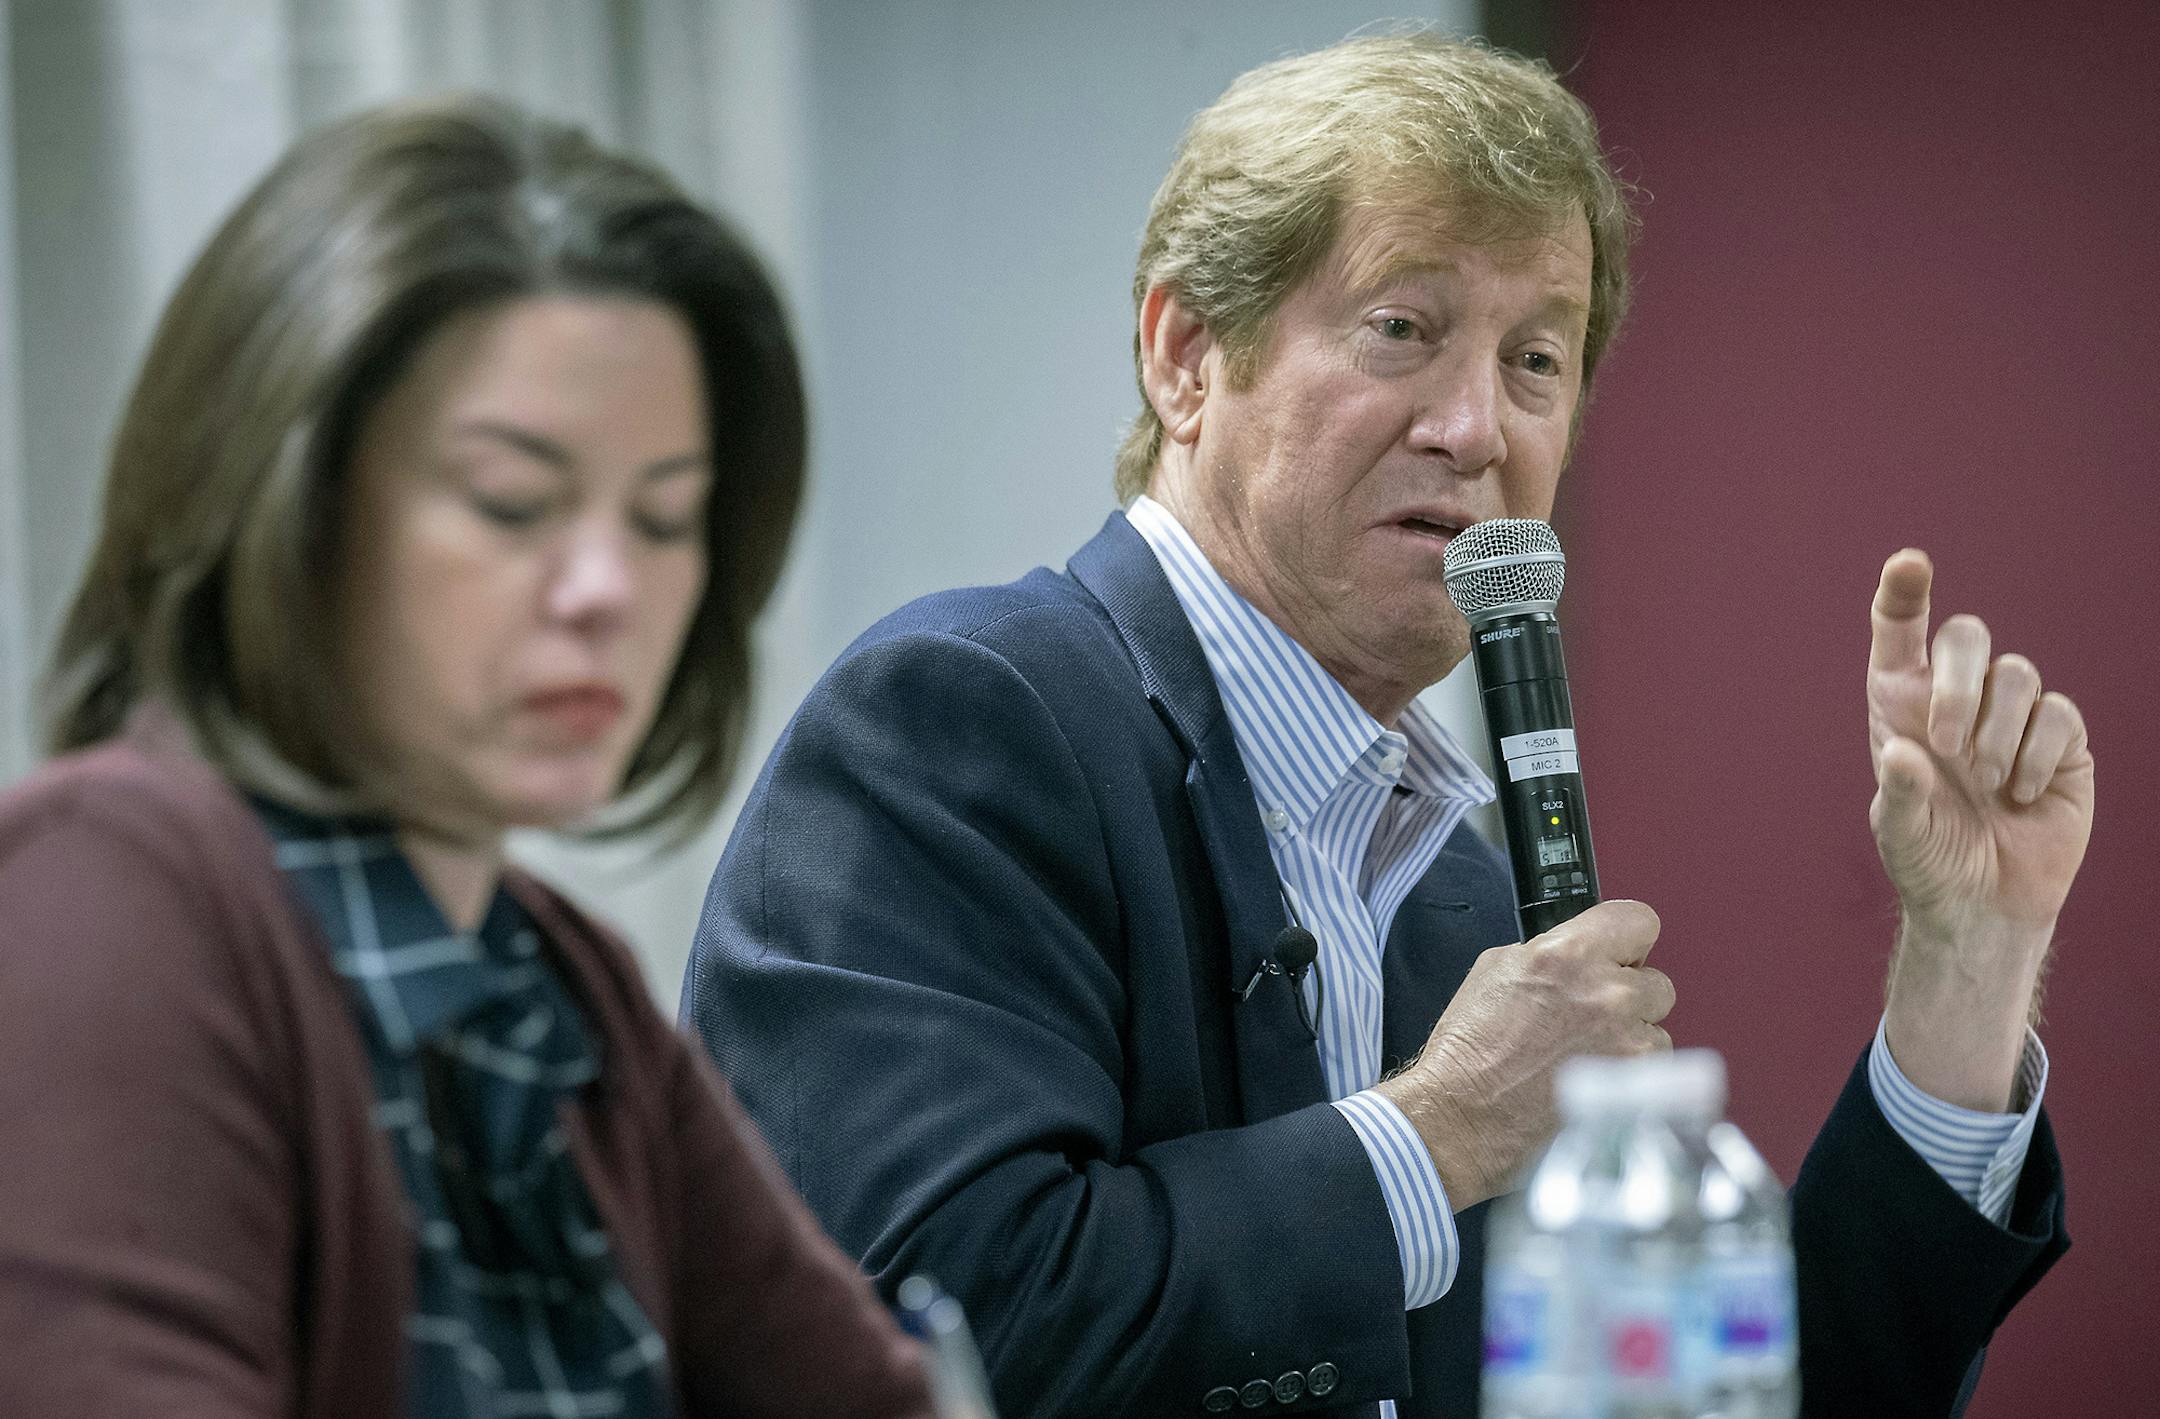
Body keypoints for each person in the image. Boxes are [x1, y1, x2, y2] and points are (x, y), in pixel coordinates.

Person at [684, 32, 2091, 1419]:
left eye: (1537, 361)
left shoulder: (1458, 887)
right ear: (1183, 355)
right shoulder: (962, 724)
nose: (1478, 427)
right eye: (1402, 330)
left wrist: (1969, 964)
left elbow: (1729, 1397)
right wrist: (1434, 1139)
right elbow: (916, 1341)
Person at [0, 97, 932, 1419]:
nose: (611, 588)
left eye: (667, 517)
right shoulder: (99, 900)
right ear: (291, 504)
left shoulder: (558, 981)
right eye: (513, 503)